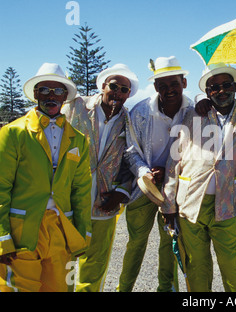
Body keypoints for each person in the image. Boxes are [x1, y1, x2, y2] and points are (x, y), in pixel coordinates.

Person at [161, 63, 236, 292]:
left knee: (232, 265)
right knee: (196, 266)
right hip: (190, 204)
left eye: (226, 85)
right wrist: (168, 204)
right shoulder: (194, 114)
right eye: (214, 87)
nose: (221, 91)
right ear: (208, 92)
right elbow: (174, 162)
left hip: (227, 204)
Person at [0, 63, 92, 292]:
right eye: (45, 90)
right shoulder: (13, 133)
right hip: (23, 229)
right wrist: (2, 239)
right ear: (35, 94)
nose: (51, 96)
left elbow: (80, 189)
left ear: (65, 96)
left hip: (61, 229)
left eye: (58, 91)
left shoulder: (78, 139)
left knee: (59, 288)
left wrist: (83, 234)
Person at [117, 56, 193, 292]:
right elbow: (130, 150)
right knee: (136, 243)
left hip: (175, 191)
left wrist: (170, 173)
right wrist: (144, 172)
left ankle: (166, 289)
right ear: (155, 86)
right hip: (143, 190)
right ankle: (124, 288)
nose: (168, 90)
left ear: (184, 82)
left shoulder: (194, 112)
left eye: (174, 84)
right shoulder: (139, 112)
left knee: (169, 244)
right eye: (162, 85)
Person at [61, 64, 139, 292]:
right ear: (103, 86)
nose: (118, 93)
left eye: (124, 90)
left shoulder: (129, 120)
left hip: (104, 203)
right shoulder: (76, 107)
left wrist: (122, 192)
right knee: (65, 259)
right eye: (114, 86)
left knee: (95, 262)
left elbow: (132, 157)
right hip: (70, 200)